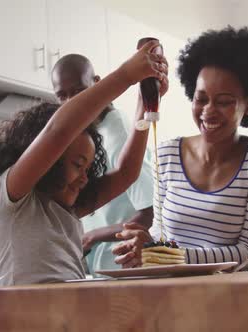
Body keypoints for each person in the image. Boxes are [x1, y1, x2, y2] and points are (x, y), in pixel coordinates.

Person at [0, 40, 168, 286]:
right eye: (78, 165)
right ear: (50, 161)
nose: (85, 178)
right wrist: (126, 75)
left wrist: (144, 105)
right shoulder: (10, 195)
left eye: (87, 167)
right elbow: (58, 131)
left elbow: (126, 172)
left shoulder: (66, 208)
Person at [113, 26, 248, 269]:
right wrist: (141, 247)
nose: (208, 111)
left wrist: (164, 255)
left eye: (224, 101)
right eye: (200, 99)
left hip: (231, 297)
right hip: (172, 294)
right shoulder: (167, 153)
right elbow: (160, 237)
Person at [51, 54, 156, 273]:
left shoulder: (119, 132)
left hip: (124, 268)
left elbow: (148, 213)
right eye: (62, 96)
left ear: (98, 84)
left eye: (79, 92)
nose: (73, 103)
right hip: (98, 270)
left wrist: (91, 236)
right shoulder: (90, 135)